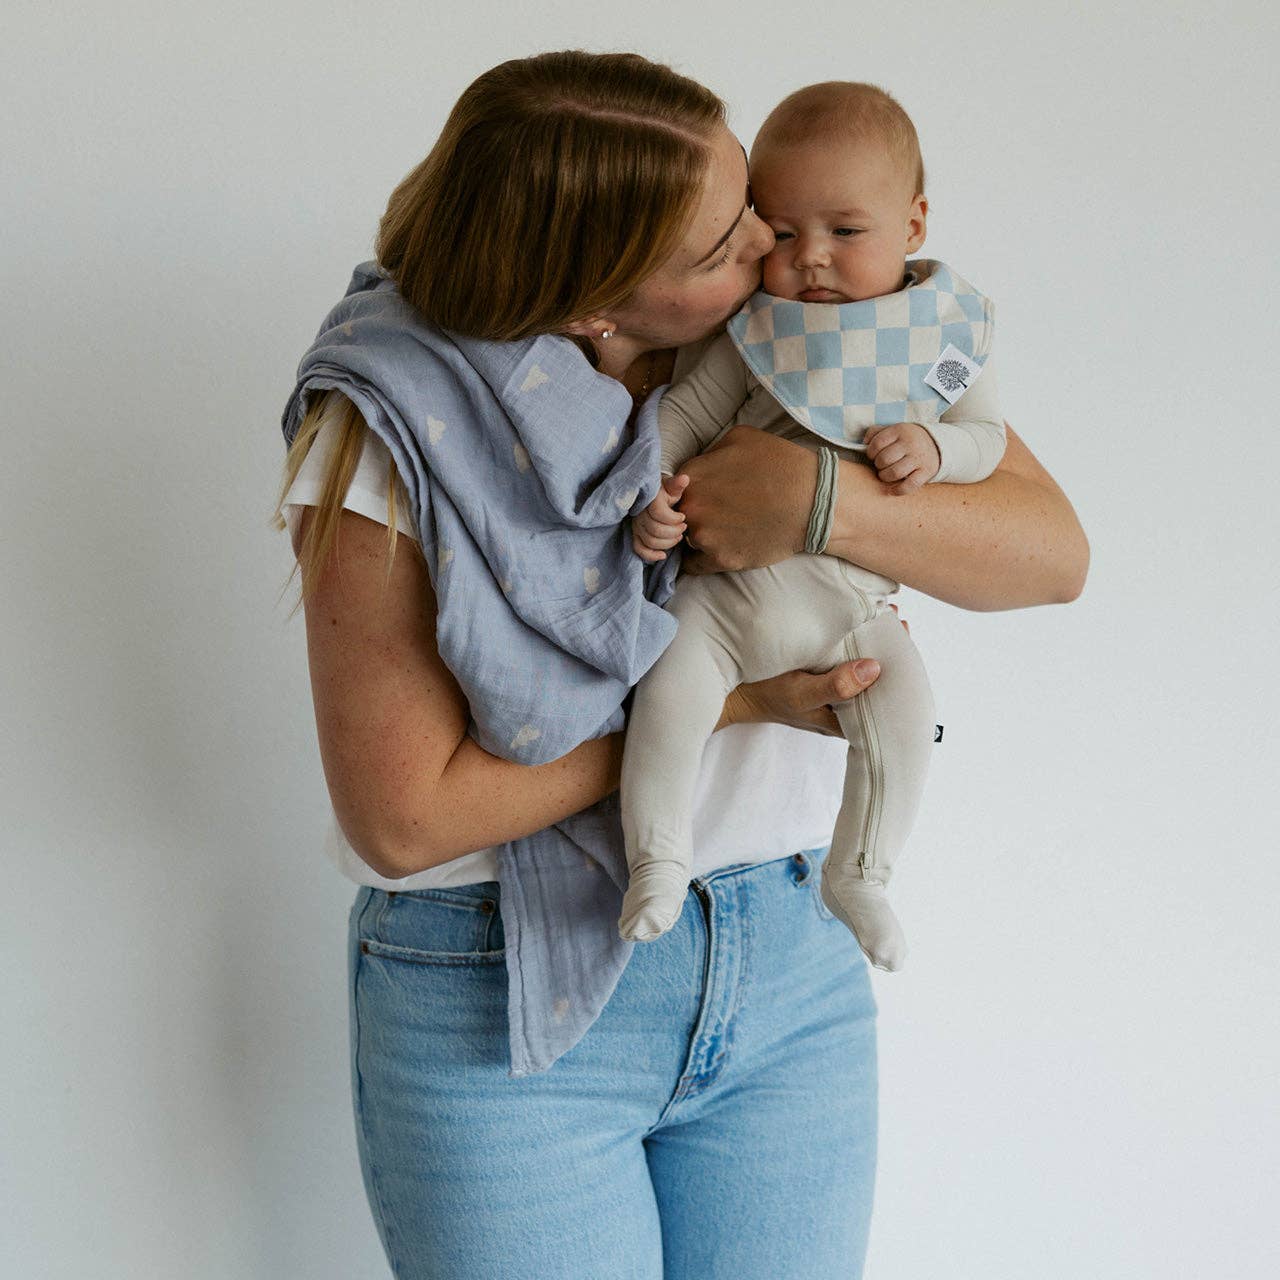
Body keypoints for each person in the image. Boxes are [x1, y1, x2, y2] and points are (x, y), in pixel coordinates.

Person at [271, 50, 1087, 1280]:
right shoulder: (397, 422)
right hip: (498, 981)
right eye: (722, 243)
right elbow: (402, 818)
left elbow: (1051, 555)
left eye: (747, 198)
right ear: (596, 304)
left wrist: (818, 499)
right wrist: (734, 705)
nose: (772, 243)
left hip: (787, 959)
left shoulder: (813, 332)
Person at [619, 82, 1008, 972]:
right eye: (784, 233)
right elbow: (685, 412)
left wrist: (937, 449)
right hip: (722, 603)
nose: (813, 260)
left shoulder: (942, 338)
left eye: (846, 230)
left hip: (850, 613)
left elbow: (985, 436)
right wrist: (652, 491)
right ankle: (658, 859)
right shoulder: (760, 330)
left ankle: (861, 870)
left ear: (914, 224)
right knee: (668, 698)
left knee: (906, 707)